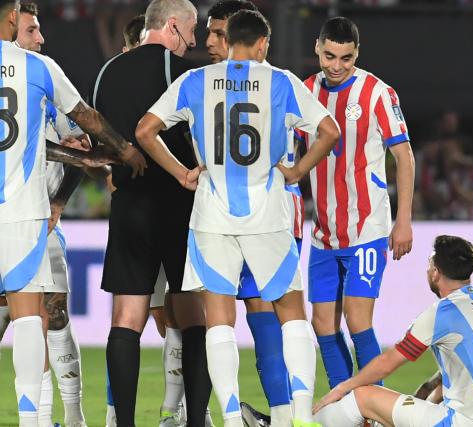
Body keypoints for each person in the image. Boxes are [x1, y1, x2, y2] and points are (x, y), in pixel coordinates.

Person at [0, 1, 144, 425]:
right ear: (10, 20)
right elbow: (87, 119)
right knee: (29, 317)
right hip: (23, 210)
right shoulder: (38, 67)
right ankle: (32, 418)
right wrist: (124, 149)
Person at [136, 10, 340, 427]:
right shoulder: (280, 81)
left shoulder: (196, 81)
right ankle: (300, 418)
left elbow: (144, 130)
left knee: (219, 320)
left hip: (212, 213)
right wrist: (299, 172)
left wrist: (181, 173)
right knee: (290, 313)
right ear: (263, 44)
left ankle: (230, 418)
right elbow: (330, 130)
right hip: (268, 213)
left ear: (228, 42)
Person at [89, 1, 213, 426]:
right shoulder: (178, 71)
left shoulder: (108, 71)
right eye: (193, 30)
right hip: (178, 204)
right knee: (194, 313)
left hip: (127, 205)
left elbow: (100, 137)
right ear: (173, 25)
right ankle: (196, 419)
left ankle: (122, 423)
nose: (195, 41)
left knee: (127, 317)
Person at [300, 17, 415, 391]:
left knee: (357, 318)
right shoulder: (303, 92)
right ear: (317, 48)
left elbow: (405, 156)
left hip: (367, 226)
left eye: (345, 58)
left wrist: (404, 220)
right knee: (322, 324)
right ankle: (343, 404)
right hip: (323, 232)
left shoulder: (378, 93)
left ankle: (375, 403)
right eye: (330, 56)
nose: (336, 66)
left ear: (357, 54)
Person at [205, 2, 301, 426]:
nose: (212, 43)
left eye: (220, 34)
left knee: (263, 317)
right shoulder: (277, 83)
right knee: (255, 316)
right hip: (248, 214)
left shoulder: (266, 83)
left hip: (265, 213)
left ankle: (279, 414)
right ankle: (280, 415)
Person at [313, 235, 473, 427]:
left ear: (436, 273)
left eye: (429, 263)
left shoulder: (443, 312)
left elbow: (387, 363)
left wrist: (342, 389)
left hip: (467, 423)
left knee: (363, 396)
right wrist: (426, 389)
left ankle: (305, 422)